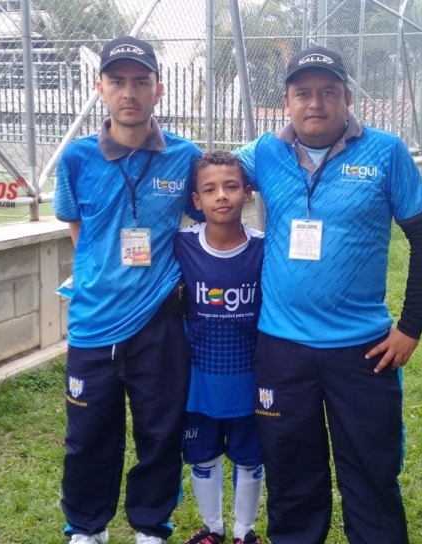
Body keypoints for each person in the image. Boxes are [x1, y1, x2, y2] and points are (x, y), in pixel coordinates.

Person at [236, 45, 422, 543]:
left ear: (348, 98)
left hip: (363, 351)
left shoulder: (386, 152)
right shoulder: (264, 152)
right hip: (281, 349)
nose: (315, 103)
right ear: (286, 101)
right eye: (303, 92)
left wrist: (411, 326)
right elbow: (206, 176)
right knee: (291, 476)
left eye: (328, 92)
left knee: (371, 474)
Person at [53, 36, 202, 544]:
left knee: (159, 432)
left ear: (159, 89)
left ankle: (150, 527)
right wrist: (104, 277)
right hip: (93, 322)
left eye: (141, 81)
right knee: (88, 435)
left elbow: (209, 210)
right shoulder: (76, 158)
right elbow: (76, 226)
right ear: (101, 89)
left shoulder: (184, 157)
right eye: (117, 81)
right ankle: (86, 528)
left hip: (160, 321)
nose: (129, 92)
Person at [175, 151, 264, 544]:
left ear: (248, 193)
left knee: (251, 457)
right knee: (202, 455)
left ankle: (245, 531)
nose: (222, 196)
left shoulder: (264, 248)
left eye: (231, 186)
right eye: (209, 189)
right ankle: (212, 528)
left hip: (251, 379)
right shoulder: (182, 245)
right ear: (196, 200)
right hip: (200, 383)